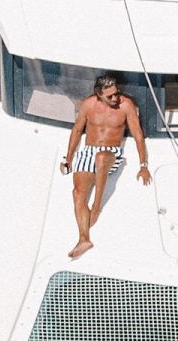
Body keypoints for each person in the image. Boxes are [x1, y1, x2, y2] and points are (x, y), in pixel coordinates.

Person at [61, 75, 152, 259]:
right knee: (77, 193)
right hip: (88, 151)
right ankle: (84, 238)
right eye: (109, 96)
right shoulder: (88, 105)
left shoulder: (126, 106)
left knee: (102, 158)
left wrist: (143, 165)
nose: (115, 98)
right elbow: (77, 130)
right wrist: (68, 159)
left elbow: (138, 135)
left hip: (111, 153)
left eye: (116, 93)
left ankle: (96, 205)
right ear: (98, 94)